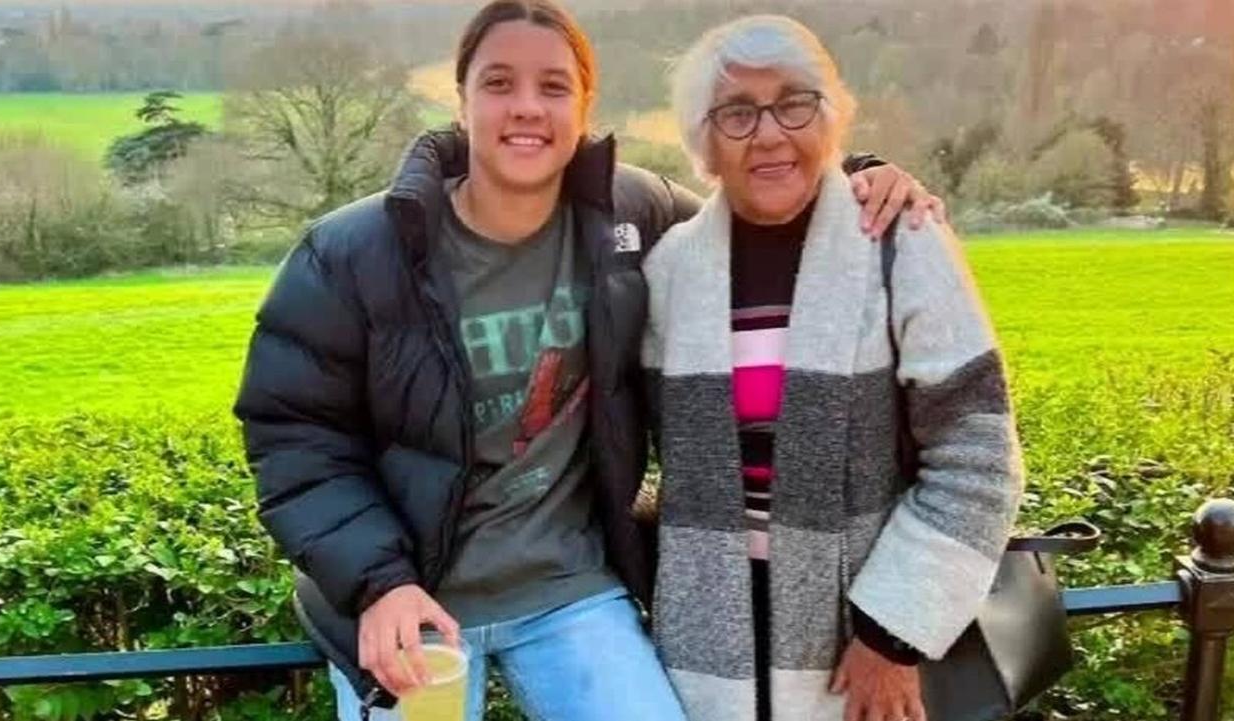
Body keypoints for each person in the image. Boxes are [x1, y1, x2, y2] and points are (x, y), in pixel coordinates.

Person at [233, 2, 943, 719]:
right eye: (499, 83)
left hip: (568, 588)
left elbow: (759, 216)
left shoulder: (632, 214)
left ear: (584, 105)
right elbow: (293, 436)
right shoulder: (353, 252)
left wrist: (859, 174)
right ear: (461, 99)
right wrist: (376, 583)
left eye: (553, 86)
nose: (526, 109)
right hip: (405, 604)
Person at [641, 15, 1023, 721]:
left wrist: (893, 632)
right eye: (736, 112)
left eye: (794, 101)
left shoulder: (899, 241)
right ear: (704, 141)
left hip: (859, 640)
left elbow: (977, 460)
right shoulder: (670, 271)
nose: (769, 132)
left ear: (832, 115)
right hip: (704, 641)